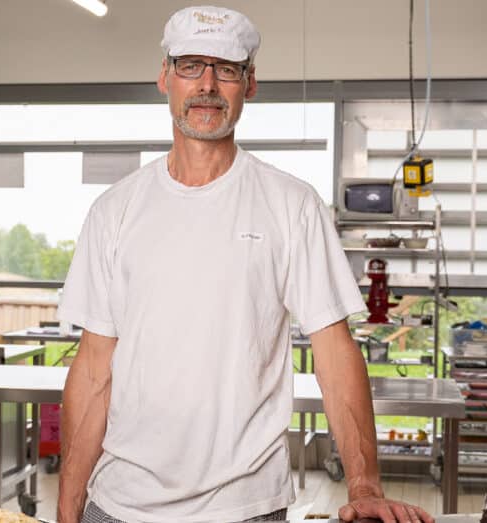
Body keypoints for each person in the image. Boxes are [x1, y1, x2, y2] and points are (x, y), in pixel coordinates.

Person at [56, 6, 434, 523]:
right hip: (120, 504)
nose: (207, 84)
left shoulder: (291, 205)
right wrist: (67, 509)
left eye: (226, 68)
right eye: (191, 65)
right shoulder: (114, 211)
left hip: (245, 507)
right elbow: (94, 369)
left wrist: (364, 487)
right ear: (164, 76)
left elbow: (334, 353)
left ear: (249, 84)